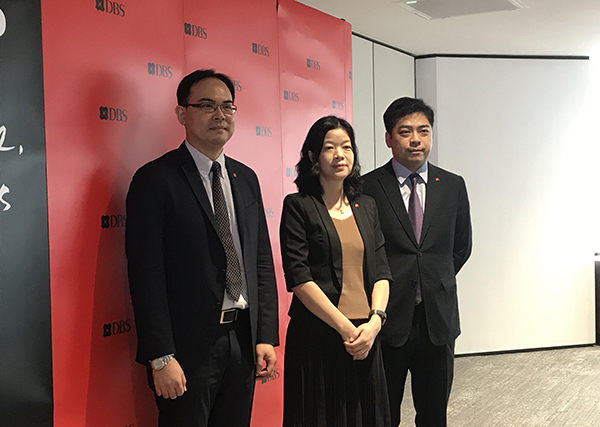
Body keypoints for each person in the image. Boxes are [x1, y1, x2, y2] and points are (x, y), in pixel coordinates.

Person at [125, 69, 279, 427]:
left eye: (227, 106)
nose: (219, 115)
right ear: (182, 113)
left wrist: (265, 336)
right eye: (207, 105)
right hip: (187, 349)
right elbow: (146, 272)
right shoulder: (156, 179)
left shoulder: (246, 178)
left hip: (242, 339)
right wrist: (161, 356)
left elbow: (260, 261)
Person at [362, 97, 472, 427]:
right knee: (383, 414)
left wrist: (431, 279)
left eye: (423, 131)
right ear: (388, 138)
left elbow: (461, 247)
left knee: (434, 414)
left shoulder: (452, 185)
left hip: (437, 320)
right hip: (387, 319)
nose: (415, 140)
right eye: (405, 131)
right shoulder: (367, 188)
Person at [280, 115, 392, 427]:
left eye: (347, 147)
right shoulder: (299, 206)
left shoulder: (366, 205)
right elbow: (299, 278)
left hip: (366, 335)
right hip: (319, 338)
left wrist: (374, 323)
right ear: (313, 156)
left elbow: (382, 272)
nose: (340, 155)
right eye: (329, 147)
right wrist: (346, 330)